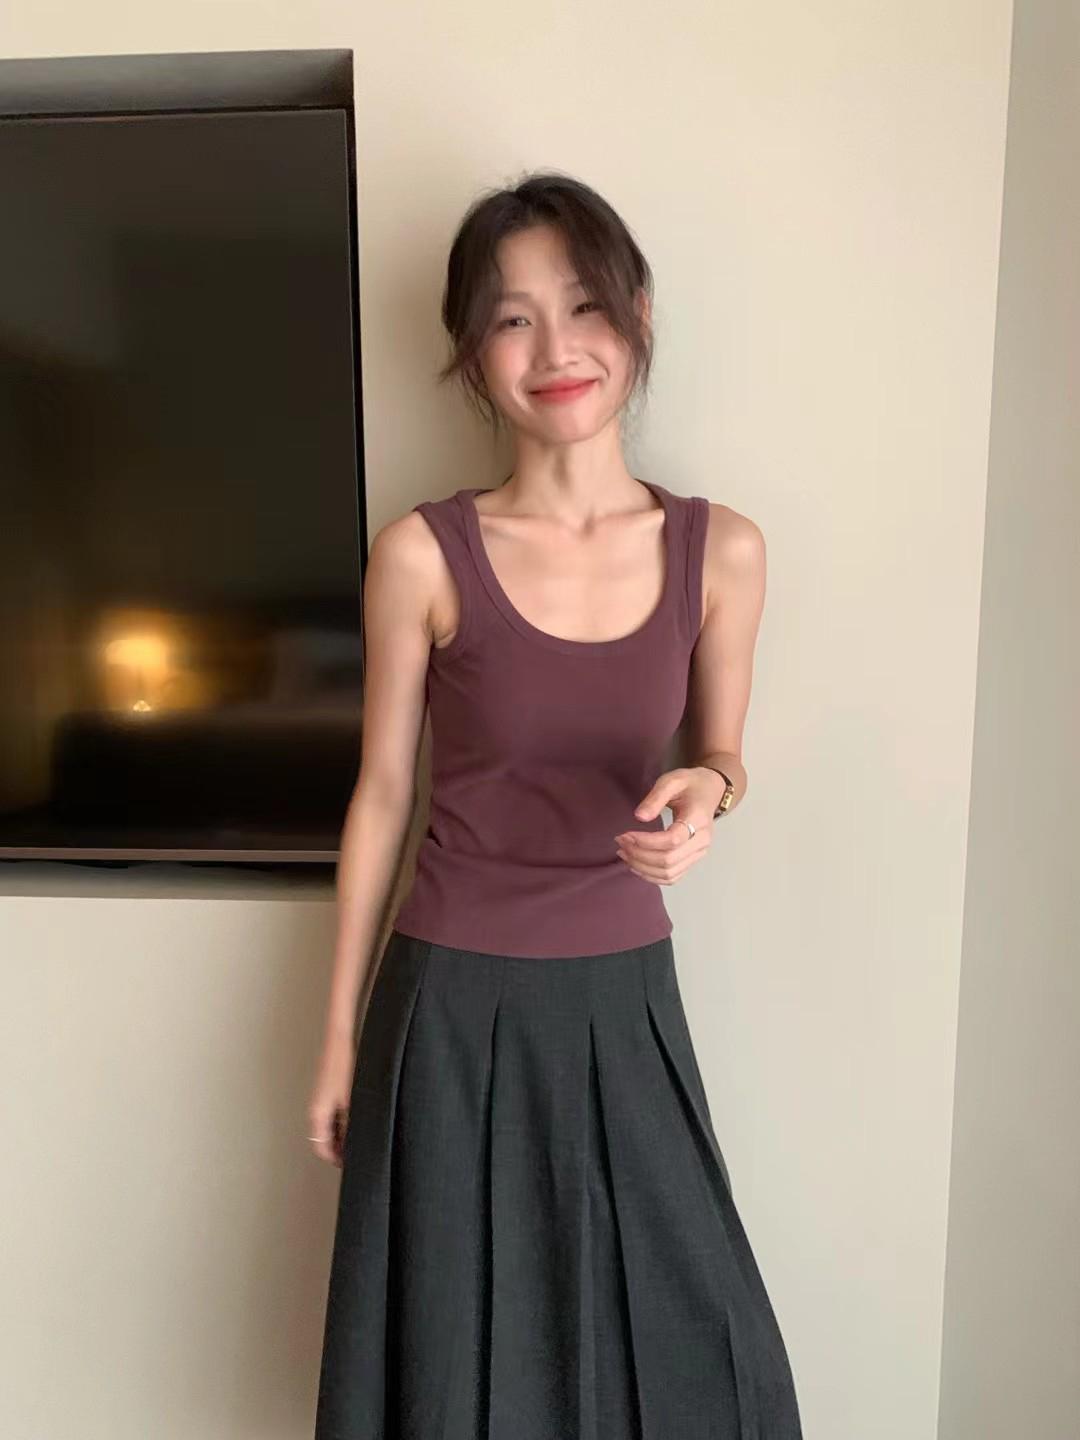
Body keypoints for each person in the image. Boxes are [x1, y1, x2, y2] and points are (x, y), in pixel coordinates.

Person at [310, 169, 803, 1438]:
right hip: (448, 1003)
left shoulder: (722, 550)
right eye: (512, 318)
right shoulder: (421, 554)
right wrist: (340, 1040)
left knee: (702, 1353)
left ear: (638, 314)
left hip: (625, 1000)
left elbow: (722, 754)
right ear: (472, 354)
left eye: (583, 306)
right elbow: (382, 796)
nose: (555, 349)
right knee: (454, 1363)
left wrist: (709, 791)